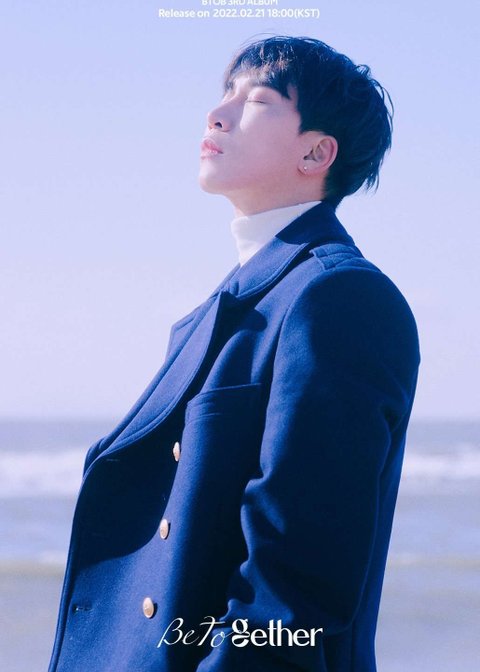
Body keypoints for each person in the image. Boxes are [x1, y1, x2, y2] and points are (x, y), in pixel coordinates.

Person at [48, 35, 420, 672]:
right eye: (225, 93)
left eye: (257, 100)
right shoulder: (224, 307)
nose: (217, 114)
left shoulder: (338, 296)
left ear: (317, 152)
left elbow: (294, 590)